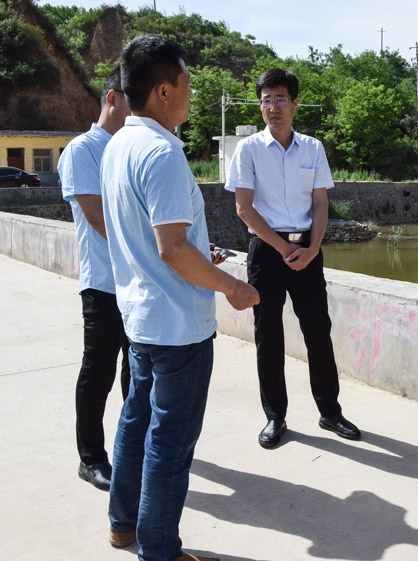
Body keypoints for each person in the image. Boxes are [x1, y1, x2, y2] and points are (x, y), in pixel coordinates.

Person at [100, 34, 259, 561]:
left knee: (134, 420)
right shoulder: (161, 152)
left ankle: (123, 524)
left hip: (141, 318)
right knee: (169, 443)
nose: (192, 91)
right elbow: (171, 251)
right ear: (165, 90)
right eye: (188, 82)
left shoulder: (118, 143)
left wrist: (196, 248)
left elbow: (158, 238)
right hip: (177, 327)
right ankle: (160, 550)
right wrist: (233, 287)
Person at [225, 68, 360, 449]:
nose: (272, 107)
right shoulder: (248, 150)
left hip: (308, 250)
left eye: (280, 99)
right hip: (267, 252)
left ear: (295, 103)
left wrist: (313, 248)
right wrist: (284, 249)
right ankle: (275, 417)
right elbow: (244, 208)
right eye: (266, 100)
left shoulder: (313, 148)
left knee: (318, 330)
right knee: (268, 335)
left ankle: (330, 411)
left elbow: (320, 202)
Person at [59, 65, 131, 492]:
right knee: (99, 373)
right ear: (111, 98)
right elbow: (98, 217)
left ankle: (131, 444)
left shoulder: (129, 146)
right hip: (103, 284)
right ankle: (90, 458)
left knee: (136, 374)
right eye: (131, 98)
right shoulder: (83, 150)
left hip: (138, 283)